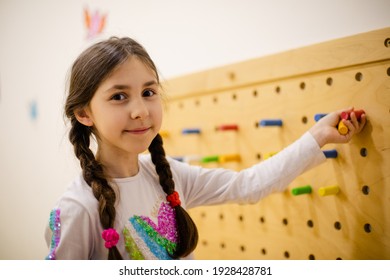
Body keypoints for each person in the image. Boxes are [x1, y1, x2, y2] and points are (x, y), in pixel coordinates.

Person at [44, 37, 366, 260]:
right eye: (119, 96)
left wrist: (318, 136)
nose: (140, 110)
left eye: (149, 92)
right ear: (84, 113)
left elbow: (248, 185)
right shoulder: (77, 208)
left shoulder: (167, 176)